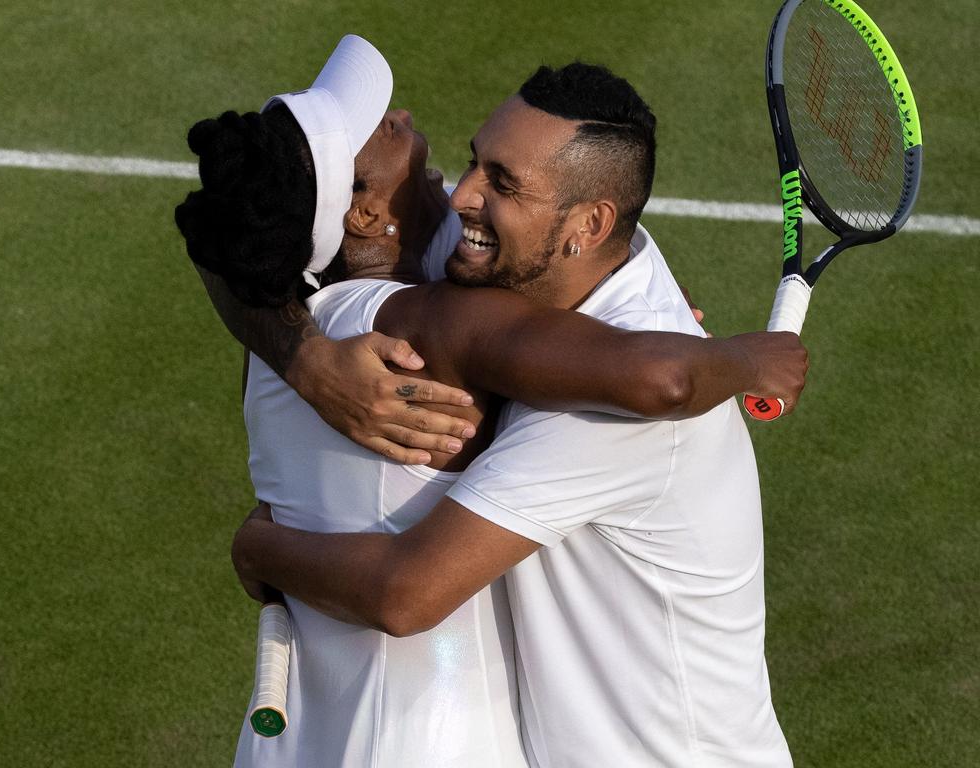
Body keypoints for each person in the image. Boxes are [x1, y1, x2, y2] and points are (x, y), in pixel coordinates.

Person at [228, 60, 797, 767]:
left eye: (501, 181)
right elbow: (233, 223)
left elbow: (406, 593)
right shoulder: (496, 264)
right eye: (474, 165)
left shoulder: (610, 412)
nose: (460, 193)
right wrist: (307, 361)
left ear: (588, 225)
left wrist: (257, 550)